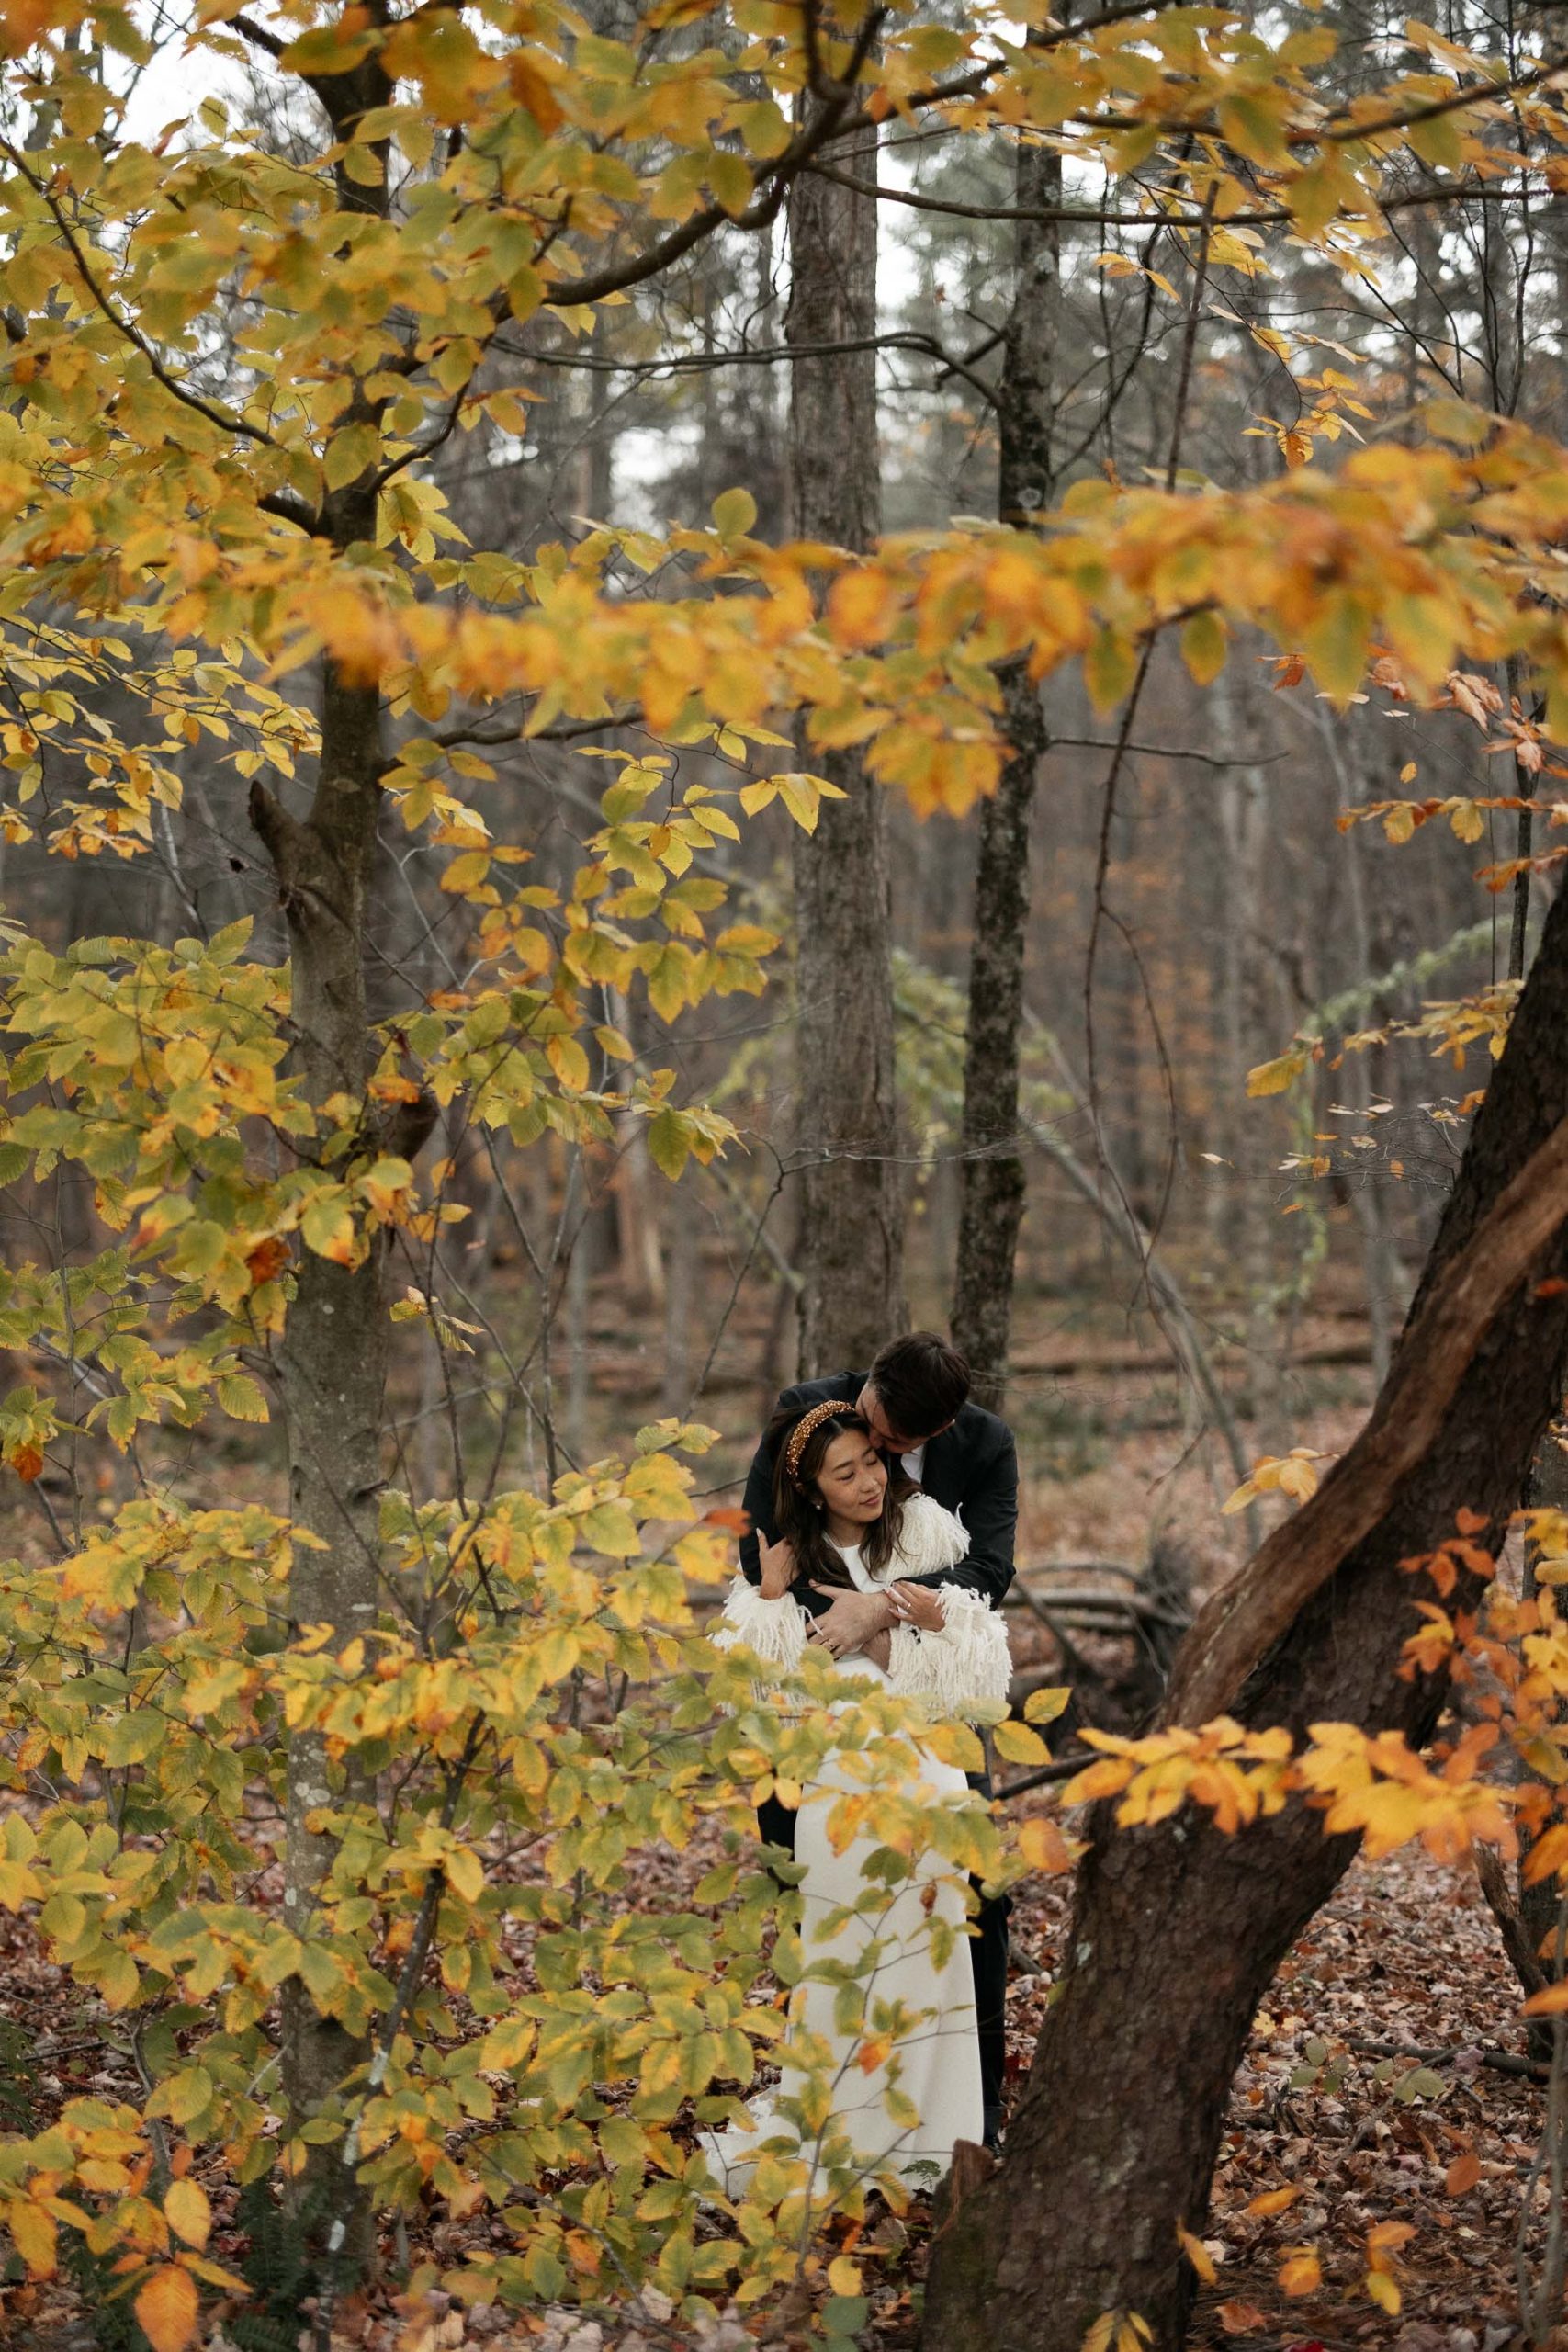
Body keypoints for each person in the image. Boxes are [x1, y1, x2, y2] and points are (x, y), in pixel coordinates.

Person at [703, 1399, 1011, 2193]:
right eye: (846, 1473)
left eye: (872, 1462)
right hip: (837, 1783)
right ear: (811, 1490)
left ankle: (937, 2130)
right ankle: (846, 2121)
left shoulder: (926, 1535)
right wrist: (771, 1599)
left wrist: (884, 1638)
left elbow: (978, 1657)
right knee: (850, 1948)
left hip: (926, 1770)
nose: (870, 1480)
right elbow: (753, 1694)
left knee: (934, 1936)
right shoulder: (782, 1564)